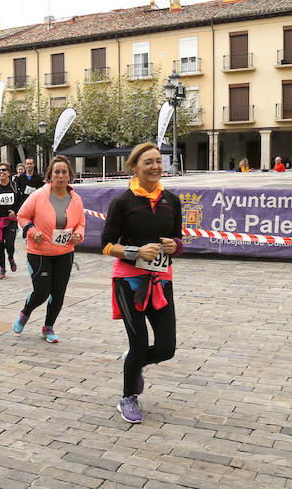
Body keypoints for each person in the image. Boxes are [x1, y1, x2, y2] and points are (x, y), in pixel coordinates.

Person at [100, 142, 182, 424]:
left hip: (161, 280)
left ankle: (132, 364)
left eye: (158, 161)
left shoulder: (171, 200)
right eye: (148, 162)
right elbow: (106, 245)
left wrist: (175, 245)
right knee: (139, 343)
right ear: (134, 166)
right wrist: (135, 252)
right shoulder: (122, 202)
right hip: (129, 282)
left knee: (166, 348)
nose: (155, 167)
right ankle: (127, 397)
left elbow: (178, 240)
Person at [13, 156, 85, 343]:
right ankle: (25, 312)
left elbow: (80, 224)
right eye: (57, 172)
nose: (61, 176)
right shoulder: (39, 195)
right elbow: (22, 216)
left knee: (59, 293)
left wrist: (78, 234)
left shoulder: (75, 199)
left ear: (70, 175)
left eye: (64, 172)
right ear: (50, 175)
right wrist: (32, 231)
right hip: (39, 252)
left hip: (64, 252)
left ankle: (48, 326)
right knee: (42, 292)